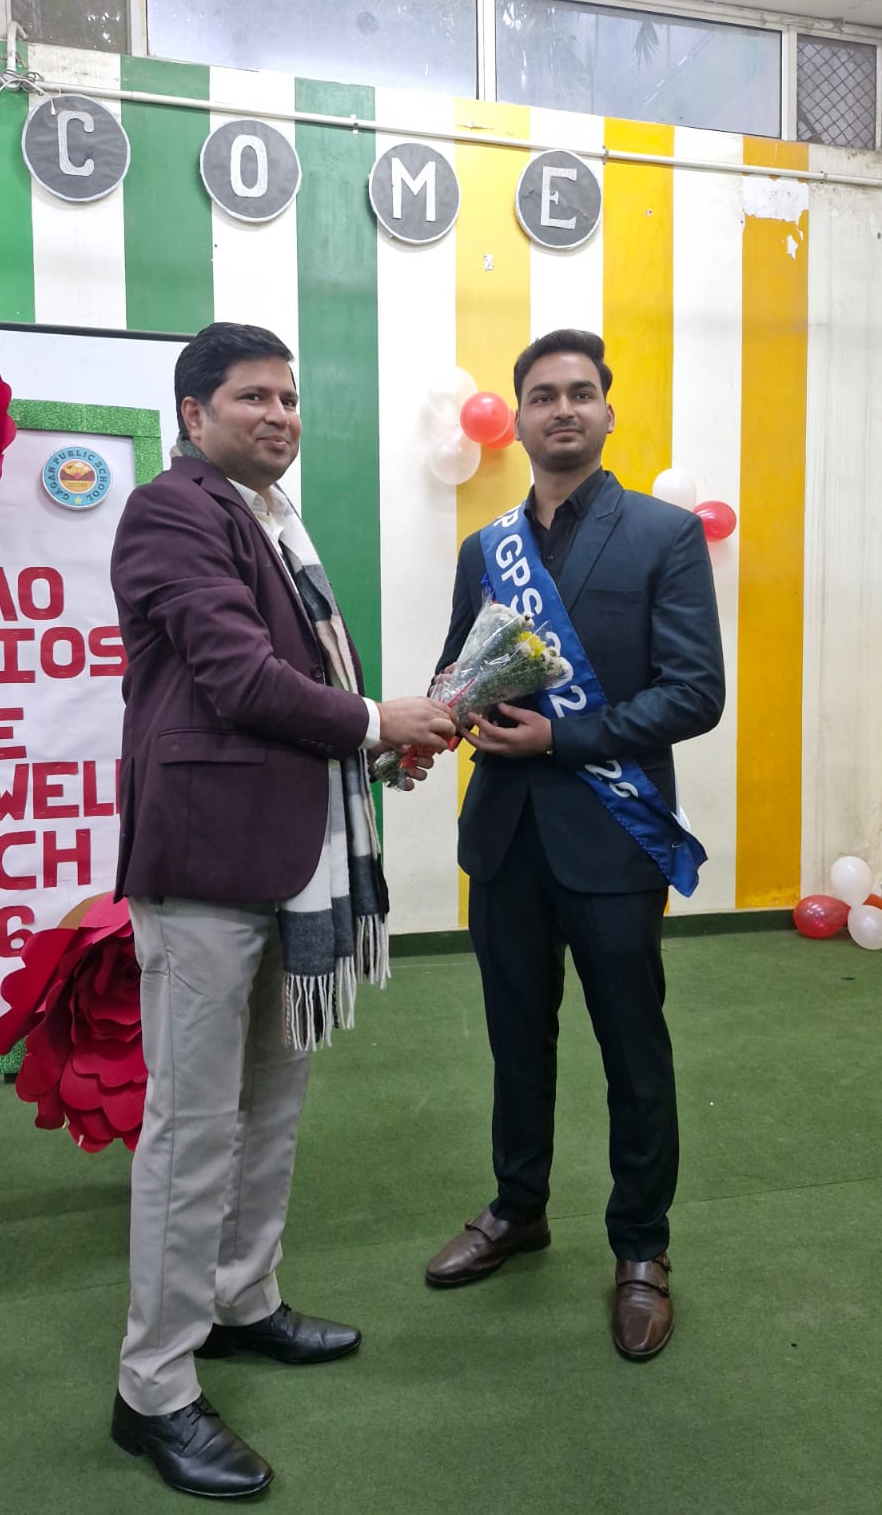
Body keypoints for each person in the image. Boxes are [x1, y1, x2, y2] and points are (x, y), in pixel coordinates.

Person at [109, 321, 454, 1499]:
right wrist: (373, 720)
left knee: (270, 1106)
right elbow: (239, 677)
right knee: (192, 1129)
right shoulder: (172, 511)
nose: (280, 415)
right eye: (253, 396)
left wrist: (373, 743)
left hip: (290, 856)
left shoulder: (272, 522)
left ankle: (240, 1300)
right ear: (193, 414)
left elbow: (301, 690)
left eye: (290, 397)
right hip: (206, 866)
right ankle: (152, 1388)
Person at [424, 329, 724, 1361]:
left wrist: (564, 737)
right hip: (505, 837)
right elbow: (457, 673)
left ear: (607, 412)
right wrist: (438, 719)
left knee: (633, 1050)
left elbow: (695, 692)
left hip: (613, 835)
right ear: (518, 417)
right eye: (544, 394)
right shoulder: (485, 549)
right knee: (516, 1038)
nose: (562, 408)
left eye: (580, 393)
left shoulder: (664, 536)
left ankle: (642, 1247)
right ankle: (519, 1206)